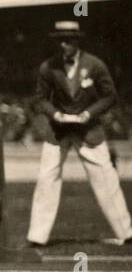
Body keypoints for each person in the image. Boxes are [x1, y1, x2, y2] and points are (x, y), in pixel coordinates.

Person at [26, 21, 131, 247]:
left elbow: (110, 96)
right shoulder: (48, 67)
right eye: (60, 41)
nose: (64, 45)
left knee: (106, 177)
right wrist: (55, 115)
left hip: (89, 130)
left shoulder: (95, 65)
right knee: (46, 178)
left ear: (77, 41)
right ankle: (37, 237)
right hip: (59, 131)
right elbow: (40, 98)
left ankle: (126, 232)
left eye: (68, 40)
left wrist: (88, 114)